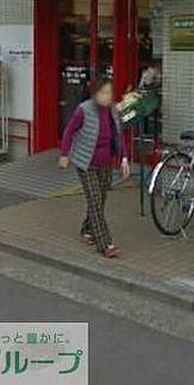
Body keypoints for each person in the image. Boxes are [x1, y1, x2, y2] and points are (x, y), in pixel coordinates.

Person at [58, 78, 130, 258]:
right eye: (103, 93)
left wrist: (124, 158)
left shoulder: (113, 110)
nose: (106, 96)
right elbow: (69, 132)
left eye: (109, 93)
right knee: (95, 199)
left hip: (105, 161)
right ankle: (105, 243)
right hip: (86, 162)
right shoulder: (84, 110)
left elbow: (119, 136)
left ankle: (87, 228)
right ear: (95, 94)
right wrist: (64, 154)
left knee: (100, 199)